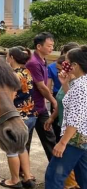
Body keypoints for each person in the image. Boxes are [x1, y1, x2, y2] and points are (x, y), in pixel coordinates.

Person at [45, 46, 87, 188]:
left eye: (67, 62)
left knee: (54, 176)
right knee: (84, 176)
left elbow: (76, 117)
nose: (64, 64)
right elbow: (72, 103)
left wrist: (62, 143)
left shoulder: (81, 86)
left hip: (74, 138)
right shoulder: (81, 82)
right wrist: (65, 84)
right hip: (82, 138)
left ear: (75, 65)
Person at [0, 46, 36, 189]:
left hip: (18, 118)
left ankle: (14, 180)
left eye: (7, 55)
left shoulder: (13, 76)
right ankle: (27, 177)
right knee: (22, 148)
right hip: (30, 115)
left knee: (12, 150)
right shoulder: (27, 72)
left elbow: (10, 99)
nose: (6, 57)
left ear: (12, 58)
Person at [25, 32, 58, 160]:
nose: (52, 48)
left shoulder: (43, 60)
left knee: (49, 138)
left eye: (52, 46)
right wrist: (53, 101)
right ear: (39, 46)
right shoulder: (33, 62)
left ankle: (56, 169)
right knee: (26, 141)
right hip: (30, 108)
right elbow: (41, 86)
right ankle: (24, 173)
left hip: (40, 107)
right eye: (49, 46)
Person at [48, 42, 81, 141]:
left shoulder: (80, 84)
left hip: (74, 134)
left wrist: (63, 142)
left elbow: (76, 113)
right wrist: (52, 117)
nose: (59, 72)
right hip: (64, 126)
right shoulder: (66, 81)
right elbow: (64, 101)